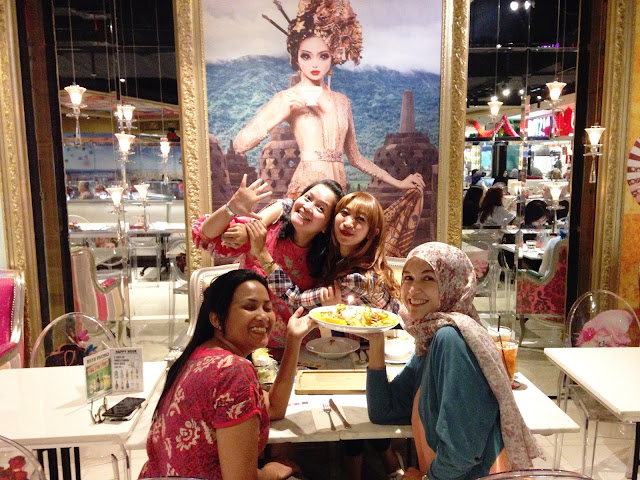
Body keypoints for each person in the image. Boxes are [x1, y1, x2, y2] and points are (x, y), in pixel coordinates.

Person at [247, 191, 403, 480]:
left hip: (380, 353)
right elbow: (287, 204)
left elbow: (296, 298)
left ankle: (379, 467)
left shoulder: (355, 277)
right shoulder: (340, 258)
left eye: (360, 219)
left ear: (372, 232)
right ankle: (383, 463)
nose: (349, 223)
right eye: (344, 213)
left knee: (355, 411)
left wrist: (263, 256)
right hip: (357, 347)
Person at [365, 242, 543, 479]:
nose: (413, 290)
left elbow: (462, 451)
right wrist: (376, 339)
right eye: (408, 278)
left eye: (428, 278)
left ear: (452, 282)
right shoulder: (429, 339)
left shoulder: (451, 339)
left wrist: (428, 478)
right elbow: (383, 411)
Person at [233, 0, 425, 198]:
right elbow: (240, 145)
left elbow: (355, 158)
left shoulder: (342, 102)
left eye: (323, 56)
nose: (315, 64)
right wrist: (278, 115)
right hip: (306, 192)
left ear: (333, 57)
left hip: (338, 192)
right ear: (296, 58)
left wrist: (398, 183)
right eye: (306, 56)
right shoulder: (287, 98)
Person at [139, 269, 315, 479]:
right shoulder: (232, 370)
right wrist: (273, 472)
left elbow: (274, 408)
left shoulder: (199, 355)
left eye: (267, 308)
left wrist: (293, 340)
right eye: (250, 307)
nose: (263, 316)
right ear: (216, 319)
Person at [192, 175, 344, 347]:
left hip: (298, 347)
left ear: (327, 225)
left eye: (320, 208)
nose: (308, 207)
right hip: (245, 343)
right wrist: (230, 208)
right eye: (308, 198)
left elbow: (298, 299)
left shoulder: (327, 258)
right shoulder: (265, 231)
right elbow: (205, 237)